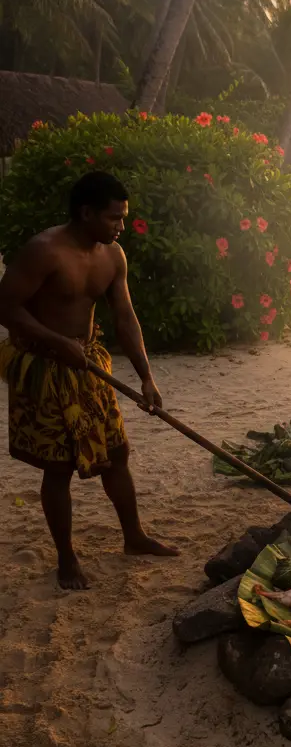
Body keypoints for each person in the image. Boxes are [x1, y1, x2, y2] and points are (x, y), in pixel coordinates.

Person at [0, 172, 178, 589]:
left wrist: (147, 377)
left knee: (117, 453)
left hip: (88, 364)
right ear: (86, 213)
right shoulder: (43, 251)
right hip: (43, 367)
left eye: (123, 218)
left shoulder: (113, 256)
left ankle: (133, 537)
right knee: (58, 467)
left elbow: (125, 318)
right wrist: (55, 341)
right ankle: (66, 558)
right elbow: (5, 307)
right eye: (115, 218)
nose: (121, 226)